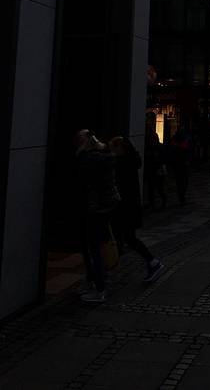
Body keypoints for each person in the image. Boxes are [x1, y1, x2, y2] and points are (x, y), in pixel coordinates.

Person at [108, 136, 164, 283]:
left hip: (124, 209)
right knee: (127, 238)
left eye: (113, 148)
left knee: (127, 238)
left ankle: (152, 262)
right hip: (130, 208)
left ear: (120, 149)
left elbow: (120, 188)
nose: (111, 151)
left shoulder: (122, 164)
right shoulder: (130, 161)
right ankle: (150, 262)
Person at [74, 129, 121, 303]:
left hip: (92, 209)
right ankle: (97, 281)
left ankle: (98, 286)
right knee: (96, 247)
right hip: (103, 207)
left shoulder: (87, 160)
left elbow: (84, 186)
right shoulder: (104, 158)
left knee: (93, 248)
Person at [144, 124, 167, 209]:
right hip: (152, 169)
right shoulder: (148, 147)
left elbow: (163, 158)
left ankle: (162, 201)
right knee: (151, 187)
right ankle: (152, 202)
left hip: (158, 169)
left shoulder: (159, 147)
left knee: (159, 187)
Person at [168, 128, 191, 205]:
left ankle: (181, 196)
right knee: (182, 182)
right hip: (179, 164)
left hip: (180, 164)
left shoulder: (180, 141)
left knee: (182, 182)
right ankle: (181, 197)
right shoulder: (178, 141)